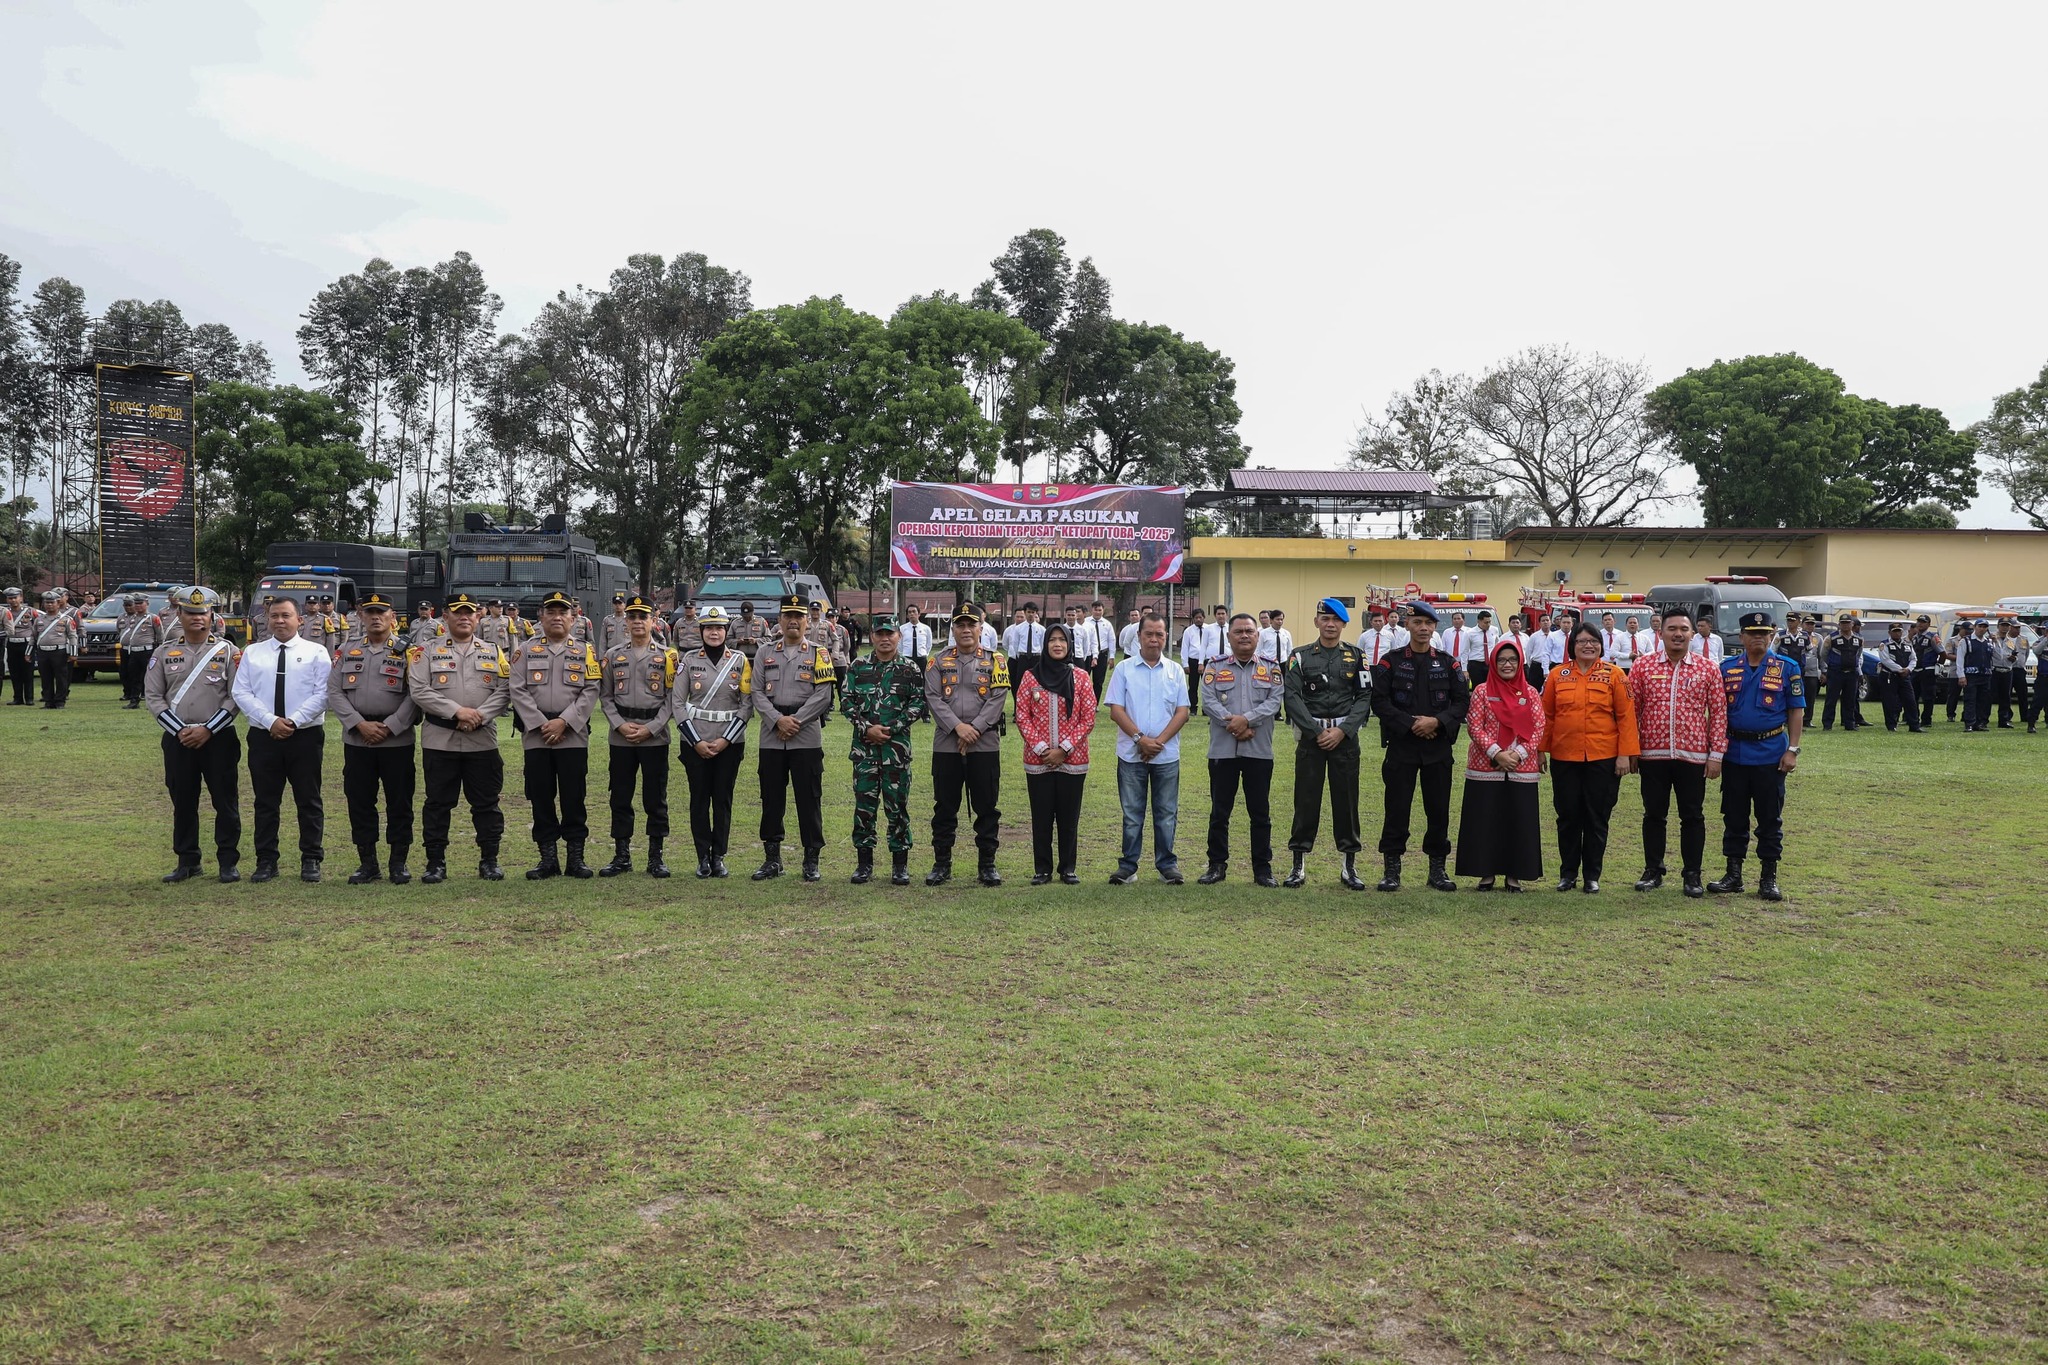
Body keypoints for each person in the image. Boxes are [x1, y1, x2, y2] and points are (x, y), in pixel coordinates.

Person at [407, 592, 511, 883]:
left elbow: (505, 689)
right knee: (438, 804)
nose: (464, 617)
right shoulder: (426, 650)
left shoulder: (493, 650)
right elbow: (419, 690)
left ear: (477, 617)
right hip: (441, 739)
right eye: (458, 612)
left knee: (487, 804)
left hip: (482, 739)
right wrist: (457, 712)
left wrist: (479, 715)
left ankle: (489, 861)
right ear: (445, 617)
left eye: (469, 612)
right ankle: (435, 863)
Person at [145, 586, 243, 883]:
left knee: (225, 801)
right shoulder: (163, 652)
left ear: (212, 615)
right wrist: (180, 731)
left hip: (219, 738)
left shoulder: (229, 652)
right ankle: (187, 861)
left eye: (203, 612)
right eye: (190, 612)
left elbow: (236, 696)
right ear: (179, 614)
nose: (197, 617)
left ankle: (228, 862)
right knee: (183, 801)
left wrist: (207, 729)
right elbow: (154, 696)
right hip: (178, 739)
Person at [231, 595, 332, 883]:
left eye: (286, 615)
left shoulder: (316, 652)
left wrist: (294, 720)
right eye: (274, 616)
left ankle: (311, 858)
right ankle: (266, 860)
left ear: (299, 620)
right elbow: (241, 692)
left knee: (308, 799)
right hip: (264, 736)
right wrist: (270, 721)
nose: (279, 621)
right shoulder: (253, 653)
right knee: (265, 801)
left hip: (305, 735)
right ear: (267, 619)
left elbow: (324, 693)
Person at [1370, 600, 1469, 892]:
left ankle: (1437, 870)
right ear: (1407, 625)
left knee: (1438, 810)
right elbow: (1379, 701)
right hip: (1402, 747)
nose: (1423, 628)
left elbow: (1461, 702)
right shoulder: (1391, 661)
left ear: (1435, 627)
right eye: (1417, 623)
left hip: (1437, 748)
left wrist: (1436, 722)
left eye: (1428, 623)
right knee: (1396, 809)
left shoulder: (1449, 663)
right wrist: (1411, 724)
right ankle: (1392, 870)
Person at [1628, 605, 1726, 896]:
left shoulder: (1708, 668)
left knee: (1692, 816)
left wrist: (1716, 755)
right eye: (1672, 629)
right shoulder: (1642, 666)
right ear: (1661, 633)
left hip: (1693, 756)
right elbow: (1631, 711)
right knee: (1653, 815)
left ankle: (1692, 875)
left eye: (1684, 629)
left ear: (1693, 633)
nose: (1678, 634)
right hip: (1652, 755)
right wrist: (1631, 750)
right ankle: (1653, 870)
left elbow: (1719, 713)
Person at [326, 592, 420, 885]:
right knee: (360, 802)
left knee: (399, 802)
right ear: (361, 616)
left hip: (396, 740)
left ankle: (398, 863)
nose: (376, 617)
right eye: (370, 612)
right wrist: (359, 724)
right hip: (358, 739)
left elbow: (416, 694)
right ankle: (368, 863)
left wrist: (390, 726)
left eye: (382, 612)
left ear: (393, 617)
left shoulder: (409, 651)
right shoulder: (347, 649)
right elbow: (334, 691)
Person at [1281, 598, 1375, 889]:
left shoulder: (1357, 656)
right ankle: (1298, 864)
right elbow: (1291, 696)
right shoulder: (1300, 656)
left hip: (1344, 740)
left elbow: (1364, 696)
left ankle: (1349, 865)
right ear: (1316, 622)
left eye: (1336, 620)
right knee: (1305, 800)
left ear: (1344, 624)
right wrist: (1315, 731)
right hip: (1312, 740)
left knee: (1346, 802)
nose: (1330, 624)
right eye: (1325, 618)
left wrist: (1343, 731)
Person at [1710, 612, 1804, 900]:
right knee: (1734, 816)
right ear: (1741, 637)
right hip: (1735, 754)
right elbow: (1717, 712)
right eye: (1752, 633)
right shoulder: (1726, 669)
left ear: (1771, 636)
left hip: (1771, 754)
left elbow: (1796, 710)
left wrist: (1793, 750)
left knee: (1769, 818)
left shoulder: (1787, 667)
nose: (1758, 638)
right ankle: (1733, 874)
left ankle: (1768, 878)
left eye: (1764, 633)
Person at [1539, 623, 1639, 893]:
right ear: (1572, 645)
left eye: (1593, 641)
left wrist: (1624, 755)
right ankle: (1568, 874)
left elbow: (1626, 717)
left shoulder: (1615, 675)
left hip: (1603, 757)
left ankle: (1592, 876)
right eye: (1582, 641)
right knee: (1568, 816)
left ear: (1601, 645)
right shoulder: (1557, 675)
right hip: (1565, 756)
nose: (1588, 645)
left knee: (1597, 816)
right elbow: (1547, 716)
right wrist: (1540, 750)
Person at [509, 590, 601, 880]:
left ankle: (576, 858)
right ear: (541, 616)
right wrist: (541, 724)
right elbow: (517, 689)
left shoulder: (586, 651)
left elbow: (591, 690)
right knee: (541, 796)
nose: (557, 617)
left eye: (563, 612)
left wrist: (564, 722)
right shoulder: (525, 650)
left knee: (574, 797)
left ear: (573, 618)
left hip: (572, 735)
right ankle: (547, 859)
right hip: (536, 736)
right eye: (551, 612)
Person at [751, 594, 836, 881]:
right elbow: (756, 692)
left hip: (805, 734)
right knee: (771, 797)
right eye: (788, 615)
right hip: (772, 735)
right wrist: (778, 720)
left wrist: (795, 721)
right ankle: (772, 859)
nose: (793, 621)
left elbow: (823, 695)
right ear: (779, 620)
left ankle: (811, 860)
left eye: (799, 616)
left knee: (809, 798)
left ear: (807, 621)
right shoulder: (764, 652)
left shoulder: (819, 653)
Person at [924, 604, 1009, 887]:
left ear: (980, 629)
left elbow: (998, 698)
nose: (965, 630)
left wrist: (975, 728)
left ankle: (987, 865)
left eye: (971, 624)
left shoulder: (996, 661)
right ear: (953, 629)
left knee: (987, 806)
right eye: (960, 625)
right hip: (947, 744)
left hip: (984, 744)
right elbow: (933, 697)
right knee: (945, 807)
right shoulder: (938, 661)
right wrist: (958, 727)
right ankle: (941, 864)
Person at [1198, 612, 1285, 887]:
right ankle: (1216, 866)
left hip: (1258, 751)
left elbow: (1274, 702)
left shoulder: (1271, 667)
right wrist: (1235, 725)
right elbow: (1208, 701)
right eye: (1239, 631)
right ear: (1229, 636)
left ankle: (1262, 869)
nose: (1244, 636)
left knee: (1260, 813)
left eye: (1249, 631)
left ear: (1258, 636)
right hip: (1222, 751)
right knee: (1219, 812)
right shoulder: (1214, 666)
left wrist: (1245, 720)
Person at [1105, 614, 1191, 885]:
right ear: (1139, 636)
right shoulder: (1124, 669)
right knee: (1132, 814)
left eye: (1159, 635)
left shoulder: (1175, 670)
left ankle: (1167, 865)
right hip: (1131, 755)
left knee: (1166, 813)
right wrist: (1140, 739)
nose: (1154, 640)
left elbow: (1182, 712)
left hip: (1166, 755)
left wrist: (1157, 743)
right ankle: (1128, 866)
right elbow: (1116, 710)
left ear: (1166, 637)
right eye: (1149, 634)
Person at [841, 615, 925, 885]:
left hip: (895, 752)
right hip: (864, 753)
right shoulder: (858, 667)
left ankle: (900, 865)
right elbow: (846, 701)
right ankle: (864, 864)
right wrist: (866, 728)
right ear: (872, 637)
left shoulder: (910, 669)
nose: (885, 638)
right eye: (880, 633)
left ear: (899, 636)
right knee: (864, 808)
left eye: (890, 633)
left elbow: (917, 703)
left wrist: (892, 728)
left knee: (897, 807)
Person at [1456, 639, 1546, 891]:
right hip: (1485, 767)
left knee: (1519, 820)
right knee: (1485, 820)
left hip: (1521, 768)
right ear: (1494, 663)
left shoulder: (1530, 693)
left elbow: (1538, 726)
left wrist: (1517, 754)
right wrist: (1497, 754)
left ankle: (1514, 874)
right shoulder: (1482, 691)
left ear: (1520, 663)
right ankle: (1485, 872)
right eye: (1502, 660)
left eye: (1513, 660)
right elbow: (1475, 726)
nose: (1507, 664)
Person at [598, 595, 678, 878]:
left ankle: (656, 857)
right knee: (620, 796)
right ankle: (622, 856)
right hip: (622, 736)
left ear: (653, 620)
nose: (637, 622)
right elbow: (605, 696)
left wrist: (651, 728)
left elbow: (672, 698)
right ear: (626, 622)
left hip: (654, 735)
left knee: (655, 798)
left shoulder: (668, 656)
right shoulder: (612, 656)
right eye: (632, 617)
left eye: (643, 617)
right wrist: (619, 725)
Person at [1015, 622, 1096, 885]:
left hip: (1072, 760)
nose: (1057, 644)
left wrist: (1064, 749)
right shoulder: (1030, 677)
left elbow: (1088, 718)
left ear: (1069, 645)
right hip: (1037, 761)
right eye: (1052, 640)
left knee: (1068, 818)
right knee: (1041, 817)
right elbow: (1022, 716)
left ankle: (1068, 868)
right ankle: (1042, 869)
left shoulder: (1080, 677)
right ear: (1045, 644)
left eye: (1062, 640)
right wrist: (1042, 749)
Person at [673, 605, 751, 879]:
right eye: (709, 628)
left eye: (719, 628)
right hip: (695, 741)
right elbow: (677, 704)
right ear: (701, 630)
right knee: (699, 799)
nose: (714, 633)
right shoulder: (688, 660)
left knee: (722, 798)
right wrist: (696, 742)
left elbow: (746, 705)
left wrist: (725, 740)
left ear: (726, 630)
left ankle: (718, 856)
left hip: (730, 742)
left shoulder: (740, 660)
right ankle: (702, 857)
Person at [33, 589, 79, 708]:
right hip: (43, 651)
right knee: (45, 678)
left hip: (59, 651)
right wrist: (28, 653)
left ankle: (59, 701)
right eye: (47, 602)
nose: (49, 605)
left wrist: (73, 653)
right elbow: (34, 637)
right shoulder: (39, 619)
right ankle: (48, 701)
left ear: (58, 603)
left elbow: (73, 636)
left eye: (52, 602)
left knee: (61, 677)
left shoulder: (66, 619)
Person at [116, 592, 163, 708]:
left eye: (141, 603)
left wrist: (160, 649)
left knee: (149, 677)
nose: (138, 606)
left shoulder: (153, 618)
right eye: (136, 603)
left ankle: (151, 700)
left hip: (147, 651)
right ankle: (134, 700)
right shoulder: (131, 618)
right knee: (134, 676)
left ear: (147, 604)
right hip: (133, 651)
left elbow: (160, 635)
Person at [1874, 621, 1922, 733]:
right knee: (1890, 702)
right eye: (1894, 631)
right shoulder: (1884, 644)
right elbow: (1886, 660)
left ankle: (1914, 725)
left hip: (1905, 676)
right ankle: (1891, 725)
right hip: (1889, 676)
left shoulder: (1907, 644)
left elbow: (1913, 659)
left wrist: (1908, 669)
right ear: (1889, 632)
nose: (1897, 633)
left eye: (1899, 631)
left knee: (1910, 701)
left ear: (1902, 632)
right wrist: (1900, 669)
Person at [1820, 615, 1864, 730]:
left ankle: (1849, 724)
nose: (1845, 625)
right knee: (1831, 699)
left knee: (1850, 700)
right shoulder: (1831, 638)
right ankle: (1827, 724)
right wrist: (1833, 664)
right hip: (1836, 673)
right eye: (1843, 623)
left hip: (1851, 673)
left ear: (1852, 624)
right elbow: (1823, 654)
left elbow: (1858, 654)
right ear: (1839, 624)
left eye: (1847, 623)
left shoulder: (1859, 639)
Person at [1177, 603, 1219, 717]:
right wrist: (1185, 664)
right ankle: (1193, 708)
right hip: (1193, 660)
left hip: (1207, 660)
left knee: (1208, 686)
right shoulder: (1188, 631)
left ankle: (1206, 709)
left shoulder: (1209, 629)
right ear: (1193, 619)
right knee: (1193, 686)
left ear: (1204, 617)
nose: (1198, 619)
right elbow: (1185, 648)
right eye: (1196, 618)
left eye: (1200, 617)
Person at [1959, 619, 1995, 732]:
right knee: (1970, 700)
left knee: (1983, 700)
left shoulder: (1989, 642)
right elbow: (1960, 659)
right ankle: (1969, 723)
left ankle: (1979, 723)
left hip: (1985, 675)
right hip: (1971, 675)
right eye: (1980, 626)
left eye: (1985, 627)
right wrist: (1961, 675)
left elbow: (1994, 657)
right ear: (1975, 627)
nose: (1982, 629)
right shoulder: (1966, 641)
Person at [1909, 615, 1943, 730]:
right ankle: (1914, 718)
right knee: (1913, 696)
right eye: (1919, 622)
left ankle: (1926, 719)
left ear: (1928, 624)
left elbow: (1942, 653)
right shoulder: (1914, 637)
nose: (1920, 624)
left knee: (1928, 697)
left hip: (1928, 670)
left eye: (1923, 622)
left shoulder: (1933, 637)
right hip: (1916, 670)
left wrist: (1938, 666)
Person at [4, 585, 34, 705]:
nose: (13, 600)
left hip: (26, 644)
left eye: (15, 597)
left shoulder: (30, 611)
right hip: (12, 644)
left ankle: (29, 698)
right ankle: (17, 698)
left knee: (28, 672)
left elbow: (39, 625)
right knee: (14, 672)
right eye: (10, 598)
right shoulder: (5, 612)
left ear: (21, 598)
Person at [1004, 602, 1046, 677]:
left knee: (1036, 679)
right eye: (1028, 612)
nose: (1030, 614)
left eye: (1033, 612)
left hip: (1036, 657)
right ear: (1025, 612)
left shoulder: (1041, 629)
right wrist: (1020, 655)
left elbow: (1042, 644)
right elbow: (1015, 644)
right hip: (1023, 657)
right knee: (1021, 678)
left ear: (1036, 613)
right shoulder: (1018, 628)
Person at [1083, 601, 1113, 697]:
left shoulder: (1107, 624)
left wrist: (1111, 657)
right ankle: (1085, 700)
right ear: (1092, 610)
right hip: (1088, 654)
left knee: (1099, 681)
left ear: (1103, 610)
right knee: (1084, 679)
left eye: (1100, 610)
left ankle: (1095, 702)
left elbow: (1111, 640)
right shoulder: (1085, 622)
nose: (1098, 612)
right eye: (1096, 610)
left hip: (1102, 654)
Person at [901, 603, 934, 675]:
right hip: (907, 658)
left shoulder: (926, 628)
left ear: (919, 614)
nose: (912, 614)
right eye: (909, 612)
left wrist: (925, 654)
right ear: (907, 615)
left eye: (914, 611)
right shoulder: (902, 629)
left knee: (922, 677)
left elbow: (929, 644)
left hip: (921, 658)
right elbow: (899, 644)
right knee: (907, 678)